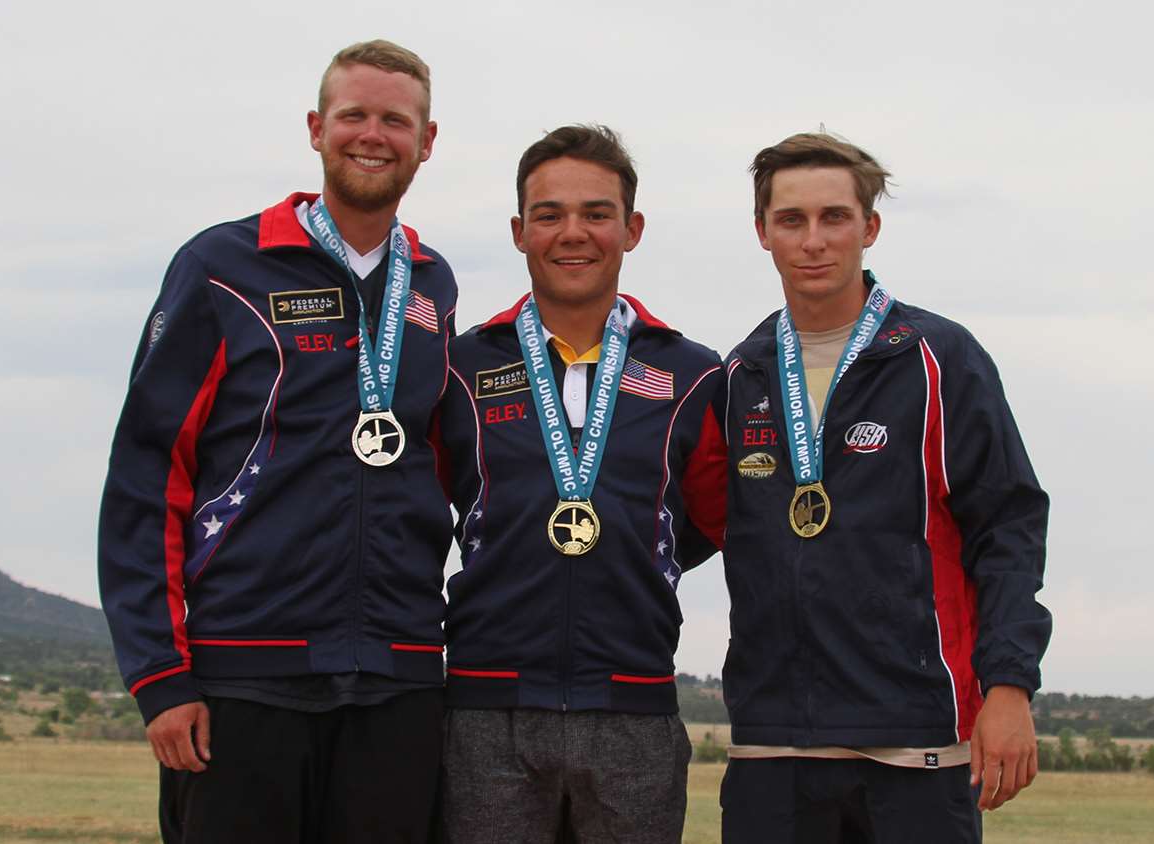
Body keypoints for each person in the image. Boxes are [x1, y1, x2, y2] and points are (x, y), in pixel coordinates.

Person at [98, 40, 455, 844]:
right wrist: (159, 674)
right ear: (315, 128)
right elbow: (147, 475)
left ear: (426, 142)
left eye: (395, 120)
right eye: (353, 114)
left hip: (397, 680)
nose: (373, 134)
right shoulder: (224, 267)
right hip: (243, 678)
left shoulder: (433, 284)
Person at [718, 132, 1051, 842]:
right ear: (762, 233)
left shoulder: (940, 359)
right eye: (792, 220)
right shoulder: (739, 375)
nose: (814, 240)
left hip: (914, 736)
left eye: (834, 217)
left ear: (869, 227)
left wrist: (1010, 685)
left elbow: (1009, 528)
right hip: (772, 742)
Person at [435, 125, 727, 843]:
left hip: (633, 708)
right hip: (486, 712)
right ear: (518, 230)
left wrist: (631, 554)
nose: (574, 233)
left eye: (597, 213)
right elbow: (418, 509)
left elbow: (711, 519)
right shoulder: (459, 368)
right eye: (549, 214)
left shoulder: (694, 374)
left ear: (632, 229)